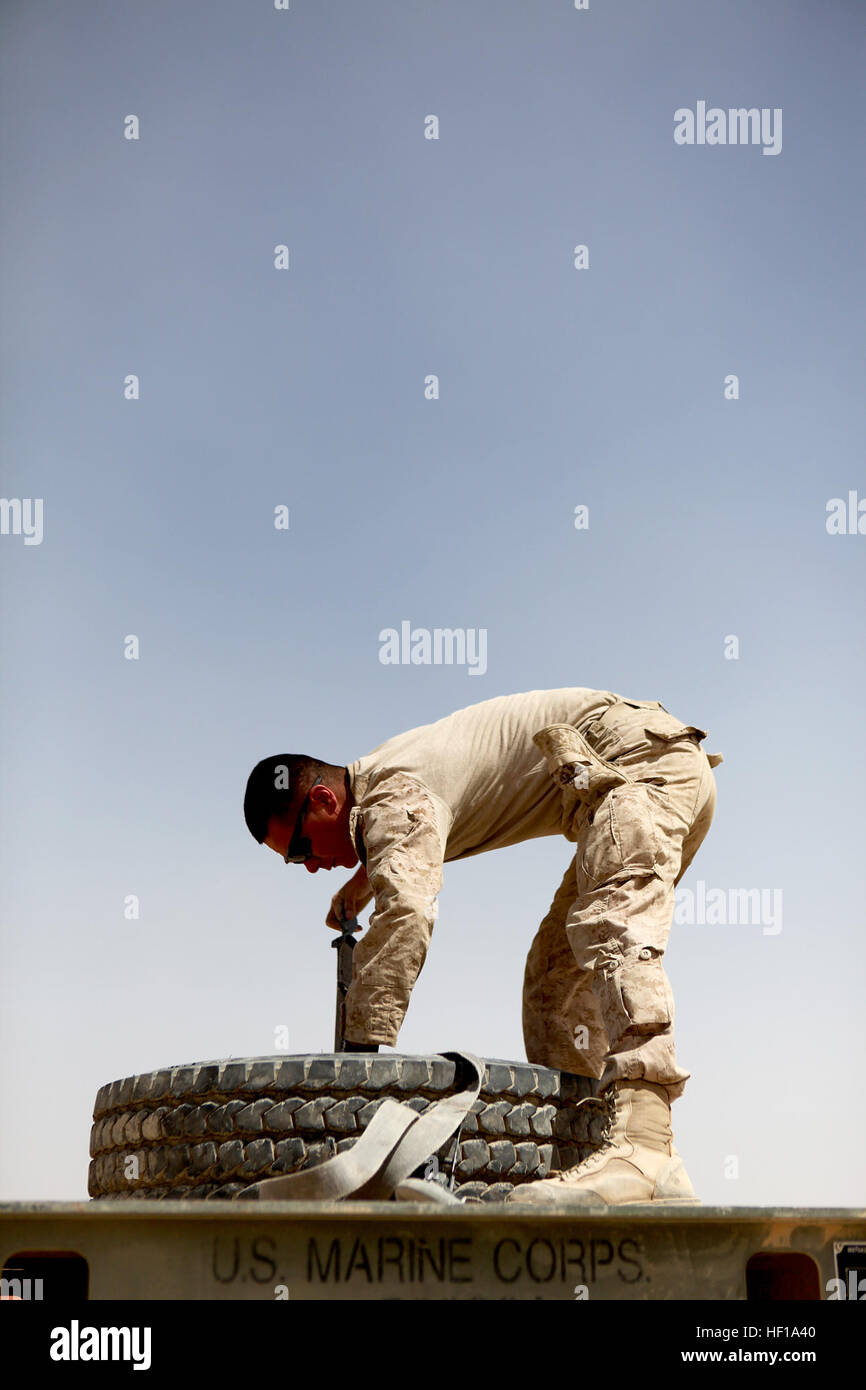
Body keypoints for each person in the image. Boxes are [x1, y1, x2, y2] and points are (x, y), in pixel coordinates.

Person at [243, 687, 722, 1205]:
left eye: (300, 849)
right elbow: (404, 842)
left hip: (643, 766)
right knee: (554, 981)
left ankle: (643, 1148)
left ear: (323, 800)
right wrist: (365, 880)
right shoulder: (386, 783)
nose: (310, 866)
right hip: (640, 771)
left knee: (613, 927)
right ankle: (597, 1147)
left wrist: (357, 1064)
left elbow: (407, 910)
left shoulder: (393, 792)